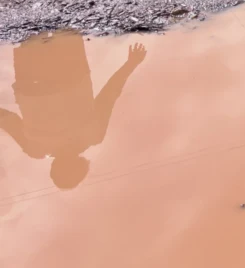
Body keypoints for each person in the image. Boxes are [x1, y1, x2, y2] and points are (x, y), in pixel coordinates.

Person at [0, 36, 146, 189]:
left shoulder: (93, 136)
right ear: (54, 167)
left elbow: (109, 95)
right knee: (33, 28)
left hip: (71, 73)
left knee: (64, 27)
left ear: (80, 167)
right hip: (31, 80)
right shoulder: (35, 149)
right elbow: (6, 119)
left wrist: (131, 64)